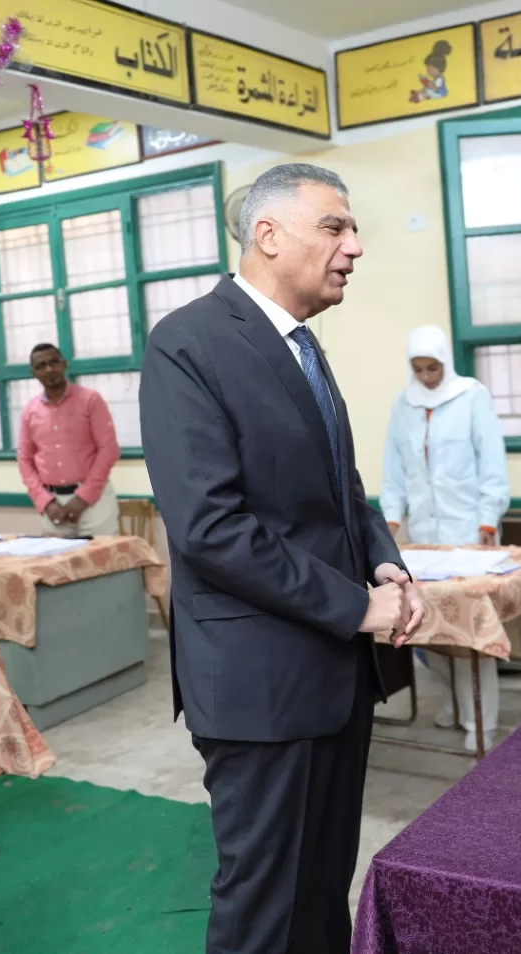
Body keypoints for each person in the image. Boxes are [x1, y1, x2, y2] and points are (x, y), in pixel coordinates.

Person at [139, 163, 424, 954]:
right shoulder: (188, 343)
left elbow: (342, 488)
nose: (354, 247)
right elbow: (210, 527)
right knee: (264, 907)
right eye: (335, 227)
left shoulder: (301, 345)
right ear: (267, 235)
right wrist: (357, 606)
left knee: (323, 888)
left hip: (335, 674)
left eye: (353, 230)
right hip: (259, 684)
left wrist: (384, 564)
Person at [380, 324, 510, 751]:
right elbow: (395, 470)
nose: (426, 376)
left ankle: (480, 723)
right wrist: (390, 520)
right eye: (418, 368)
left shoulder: (472, 396)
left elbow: (492, 463)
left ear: (445, 362)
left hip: (469, 532)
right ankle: (454, 703)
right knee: (428, 625)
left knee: (470, 630)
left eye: (432, 367)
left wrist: (488, 520)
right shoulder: (404, 404)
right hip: (424, 534)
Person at [16, 343, 120, 537]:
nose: (49, 369)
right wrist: (45, 502)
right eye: (41, 366)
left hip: (94, 504)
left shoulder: (90, 400)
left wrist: (84, 497)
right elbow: (24, 459)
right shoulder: (29, 411)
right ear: (34, 372)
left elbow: (109, 450)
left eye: (53, 362)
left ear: (64, 364)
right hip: (53, 507)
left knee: (101, 556)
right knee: (58, 557)